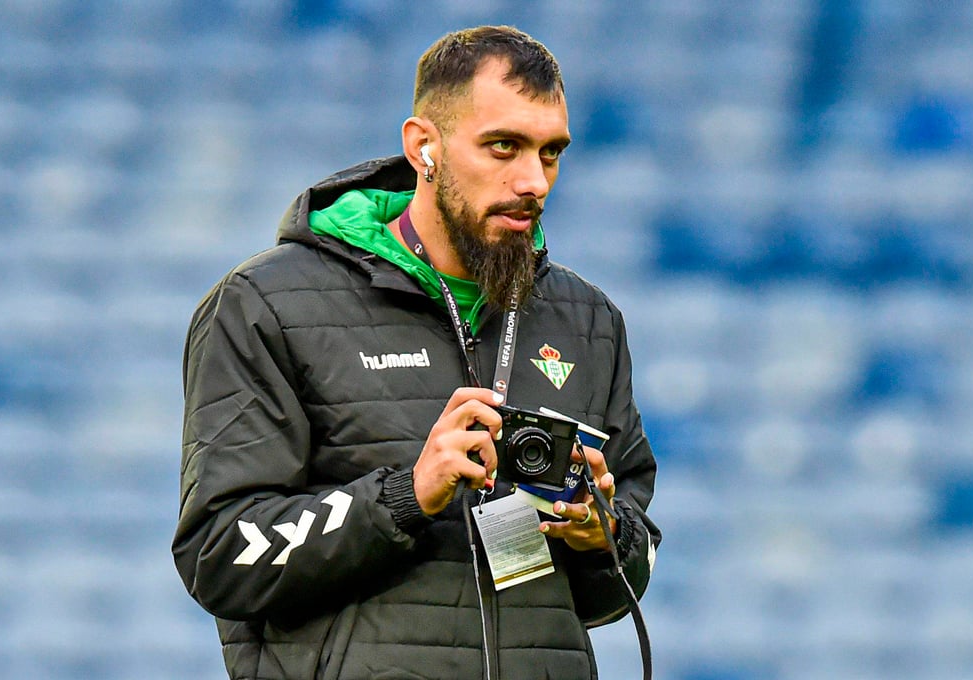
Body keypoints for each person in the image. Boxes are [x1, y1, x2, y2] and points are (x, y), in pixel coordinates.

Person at [173, 25, 661, 680]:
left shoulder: (588, 321)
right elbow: (221, 555)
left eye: (550, 153)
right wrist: (406, 496)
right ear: (423, 146)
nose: (533, 181)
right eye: (503, 146)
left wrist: (603, 535)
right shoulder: (269, 304)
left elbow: (625, 574)